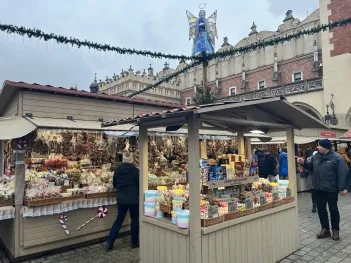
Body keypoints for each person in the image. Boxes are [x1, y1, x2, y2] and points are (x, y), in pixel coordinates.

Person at [297, 139, 347, 241]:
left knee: (333, 210)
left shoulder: (337, 158)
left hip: (331, 189)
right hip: (318, 189)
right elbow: (310, 167)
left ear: (325, 147)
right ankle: (325, 229)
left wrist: (341, 188)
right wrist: (304, 163)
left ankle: (335, 230)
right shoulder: (316, 156)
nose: (317, 147)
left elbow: (342, 174)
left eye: (319, 146)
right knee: (321, 209)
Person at [106, 152, 139, 251]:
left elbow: (115, 184)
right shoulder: (136, 171)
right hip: (133, 199)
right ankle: (134, 242)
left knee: (119, 219)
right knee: (135, 219)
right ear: (132, 159)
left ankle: (110, 242)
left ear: (123, 159)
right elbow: (139, 184)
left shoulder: (117, 170)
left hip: (121, 198)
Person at [305, 149, 317, 213]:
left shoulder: (308, 159)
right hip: (319, 180)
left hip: (312, 179)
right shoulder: (321, 159)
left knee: (313, 193)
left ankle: (314, 206)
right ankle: (319, 205)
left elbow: (307, 170)